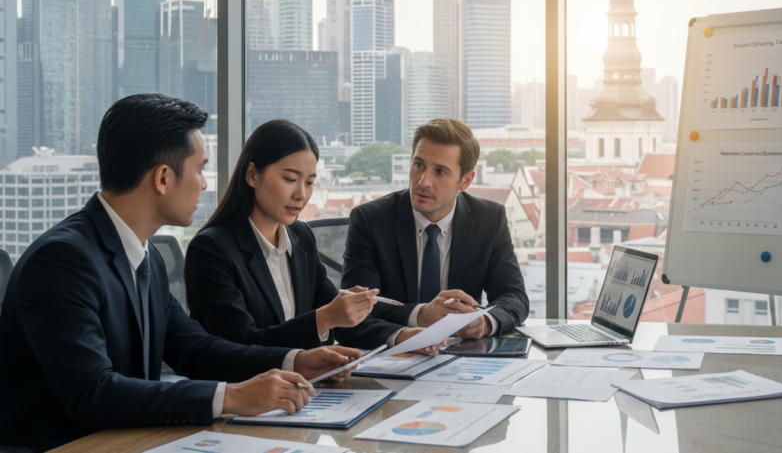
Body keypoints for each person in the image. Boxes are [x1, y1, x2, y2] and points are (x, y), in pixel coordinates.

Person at [0, 95, 359, 452]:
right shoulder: (63, 260)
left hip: (130, 438)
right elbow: (93, 393)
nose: (205, 184)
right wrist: (230, 397)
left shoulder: (147, 256)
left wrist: (293, 360)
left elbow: (195, 349)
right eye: (201, 169)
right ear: (162, 178)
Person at [185, 120, 437, 350]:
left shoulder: (300, 236)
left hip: (305, 385)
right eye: (290, 179)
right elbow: (240, 343)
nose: (301, 195)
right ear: (252, 174)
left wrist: (403, 336)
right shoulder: (212, 249)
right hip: (248, 391)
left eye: (309, 182)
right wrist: (324, 318)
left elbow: (339, 320)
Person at [341, 118, 529, 343]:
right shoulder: (371, 220)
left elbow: (514, 296)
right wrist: (421, 315)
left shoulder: (488, 219)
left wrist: (486, 322)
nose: (424, 181)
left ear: (465, 180)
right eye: (419, 165)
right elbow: (356, 309)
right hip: (394, 355)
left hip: (462, 358)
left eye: (440, 171)